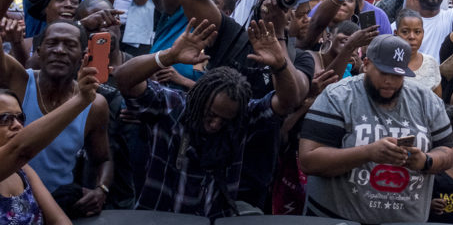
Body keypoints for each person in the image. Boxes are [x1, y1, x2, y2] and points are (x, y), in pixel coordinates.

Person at [113, 17, 302, 217]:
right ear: (198, 101)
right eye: (210, 115)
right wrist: (168, 57)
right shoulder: (171, 106)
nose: (215, 124)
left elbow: (286, 103)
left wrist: (280, 66)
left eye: (225, 120)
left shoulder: (244, 116)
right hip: (158, 219)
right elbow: (124, 79)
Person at [298, 35, 453, 223]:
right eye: (383, 72)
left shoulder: (427, 101)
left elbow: (448, 151)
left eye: (397, 75)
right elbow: (309, 160)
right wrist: (367, 153)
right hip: (339, 219)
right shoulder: (338, 97)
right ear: (366, 64)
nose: (389, 81)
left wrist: (425, 161)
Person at [0, 58, 99, 225]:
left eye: (20, 118)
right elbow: (21, 150)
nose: (17, 125)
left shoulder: (23, 169)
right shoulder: (20, 157)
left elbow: (60, 220)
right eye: (5, 119)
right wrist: (81, 99)